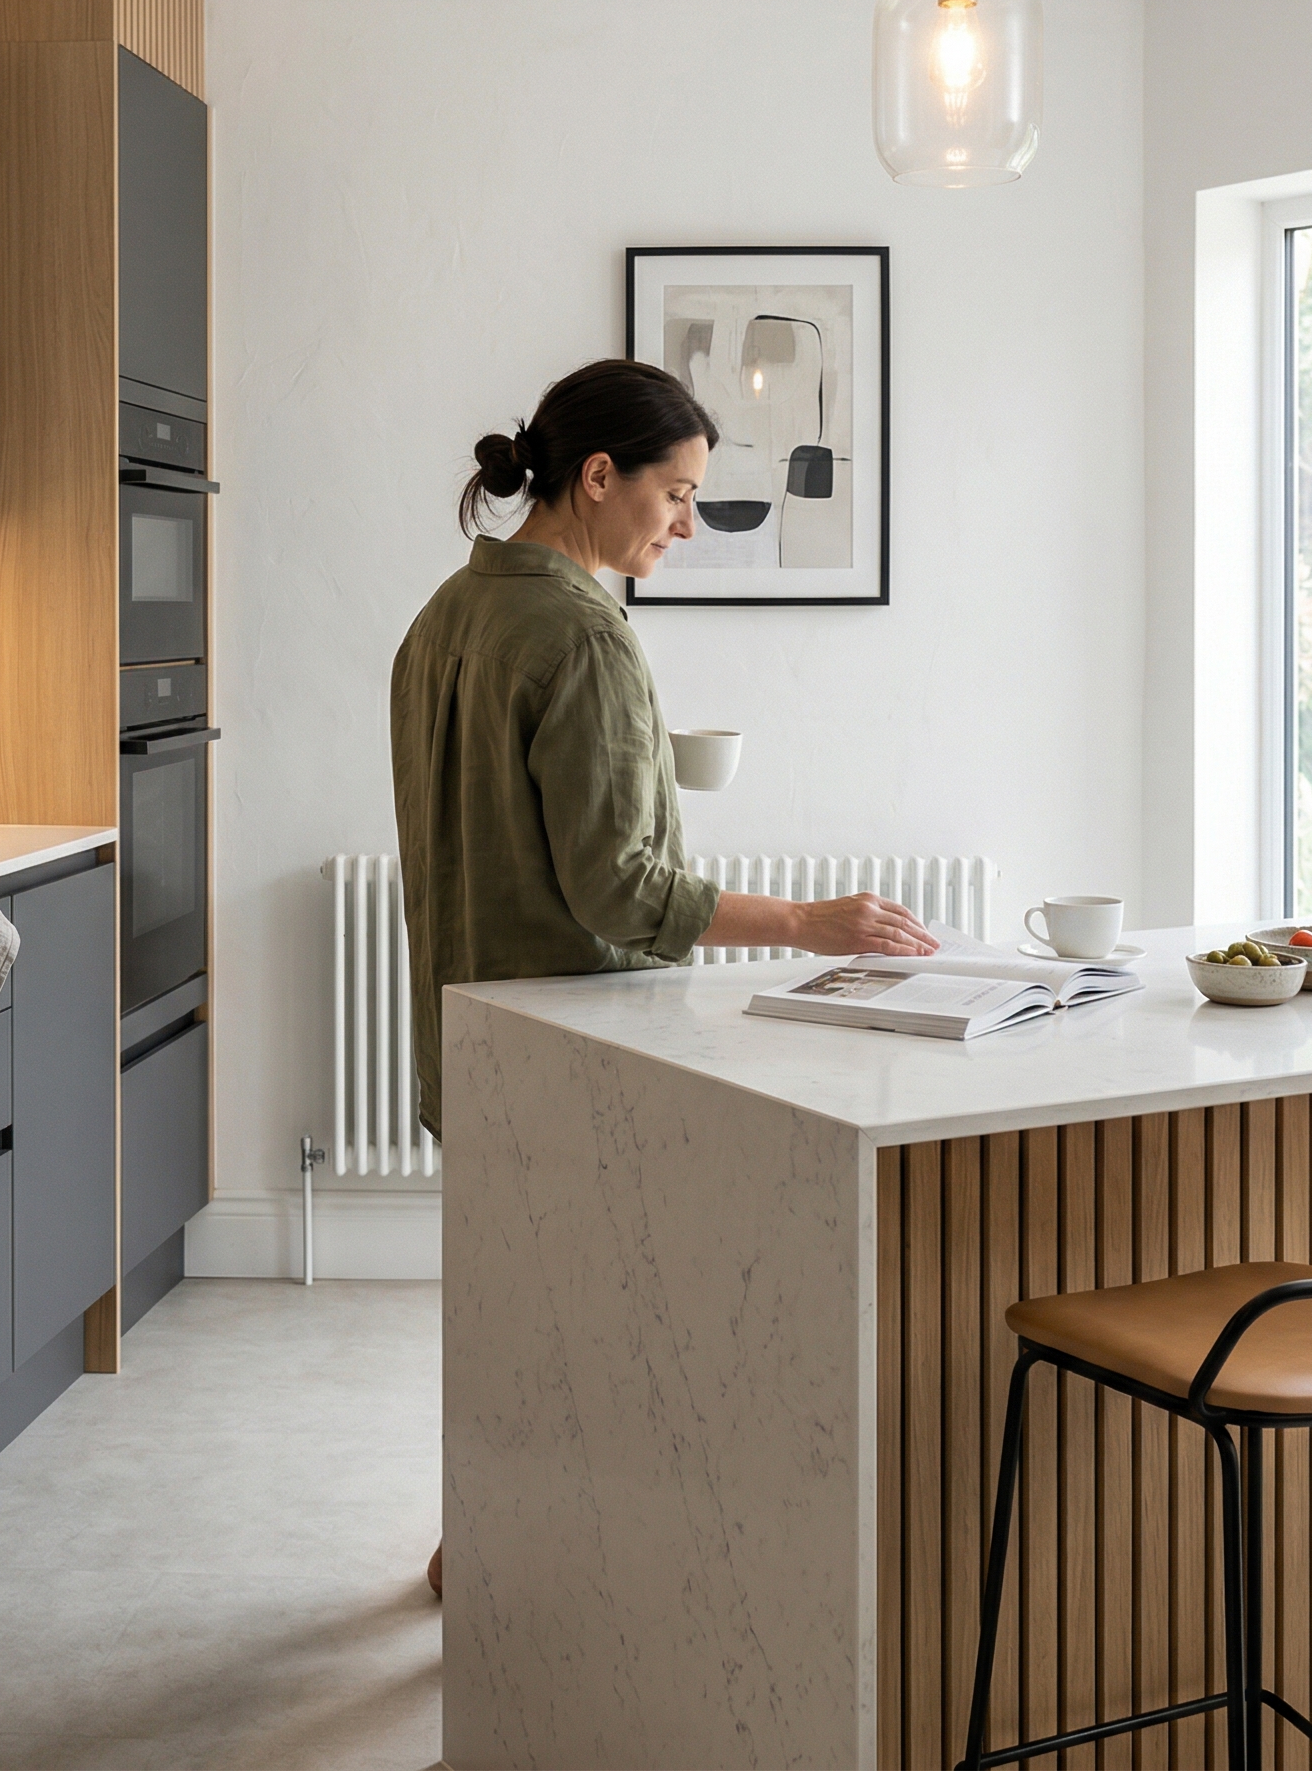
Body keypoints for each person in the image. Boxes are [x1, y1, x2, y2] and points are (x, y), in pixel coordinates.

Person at [390, 358, 939, 1599]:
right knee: (616, 1323)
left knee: (513, 1308)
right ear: (598, 478)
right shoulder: (585, 632)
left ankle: (473, 1542)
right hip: (578, 1040)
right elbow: (623, 892)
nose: (687, 524)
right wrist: (809, 920)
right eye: (676, 495)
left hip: (465, 1031)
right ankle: (585, 1580)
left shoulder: (445, 613)